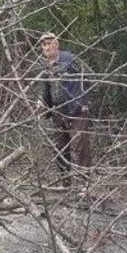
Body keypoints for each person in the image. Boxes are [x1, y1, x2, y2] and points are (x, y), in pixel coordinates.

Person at [39, 32, 91, 186]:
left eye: (49, 43)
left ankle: (84, 184)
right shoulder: (45, 66)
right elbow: (46, 90)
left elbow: (88, 75)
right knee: (60, 149)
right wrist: (42, 104)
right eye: (43, 44)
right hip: (58, 113)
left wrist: (83, 101)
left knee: (80, 147)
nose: (46, 47)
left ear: (57, 44)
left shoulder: (70, 59)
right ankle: (65, 183)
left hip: (76, 111)